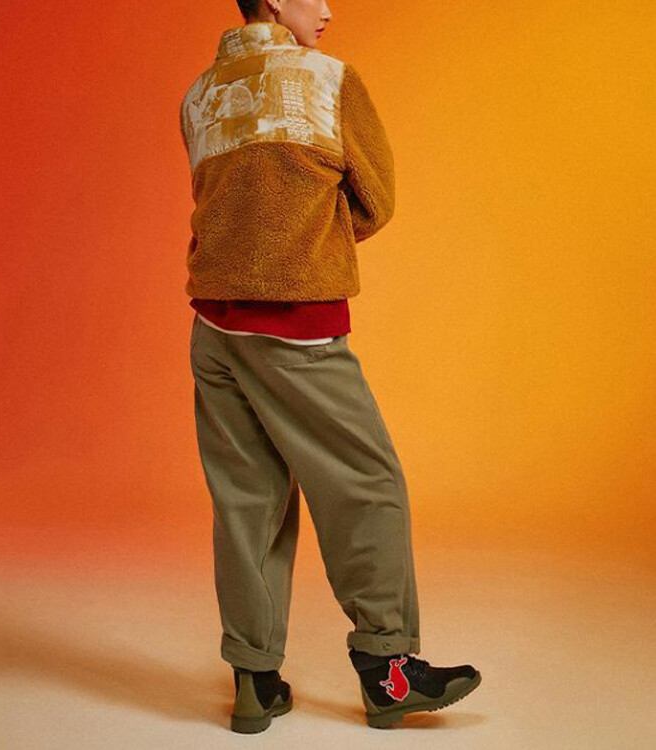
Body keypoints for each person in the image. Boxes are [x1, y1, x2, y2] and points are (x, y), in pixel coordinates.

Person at [178, 0, 481, 733]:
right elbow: (375, 201)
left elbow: (218, 201)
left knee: (248, 502)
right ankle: (389, 672)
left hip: (214, 327)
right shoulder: (329, 80)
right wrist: (312, 240)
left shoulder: (198, 93)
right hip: (297, 326)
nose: (329, 9)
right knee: (367, 486)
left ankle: (255, 682)